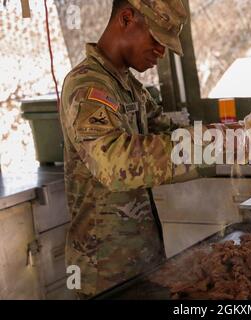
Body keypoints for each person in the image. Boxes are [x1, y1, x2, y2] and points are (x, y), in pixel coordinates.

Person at [59, 0, 216, 299]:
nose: (161, 51)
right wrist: (209, 147)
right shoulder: (87, 86)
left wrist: (221, 136)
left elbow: (166, 134)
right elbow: (114, 163)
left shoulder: (130, 87)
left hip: (141, 260)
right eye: (156, 39)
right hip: (102, 271)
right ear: (127, 18)